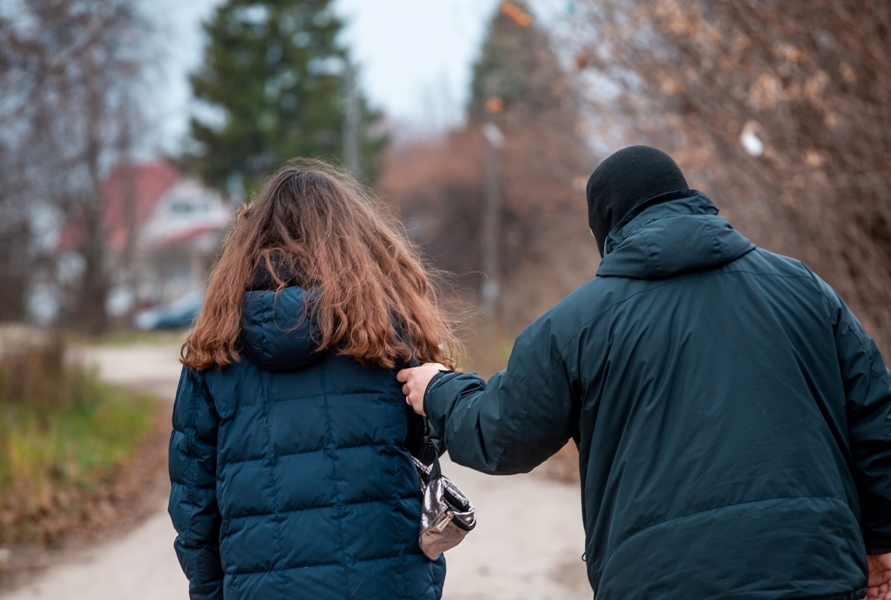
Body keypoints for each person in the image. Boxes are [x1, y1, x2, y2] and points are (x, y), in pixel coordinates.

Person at [399, 146, 891, 600]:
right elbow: (875, 418)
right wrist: (881, 540)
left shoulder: (576, 325)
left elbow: (503, 434)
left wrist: (440, 390)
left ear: (606, 226)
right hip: (816, 568)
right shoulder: (804, 290)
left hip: (661, 582)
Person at [169, 160, 457, 600]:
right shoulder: (387, 337)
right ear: (355, 241)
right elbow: (426, 452)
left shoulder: (214, 352)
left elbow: (194, 507)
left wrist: (210, 593)